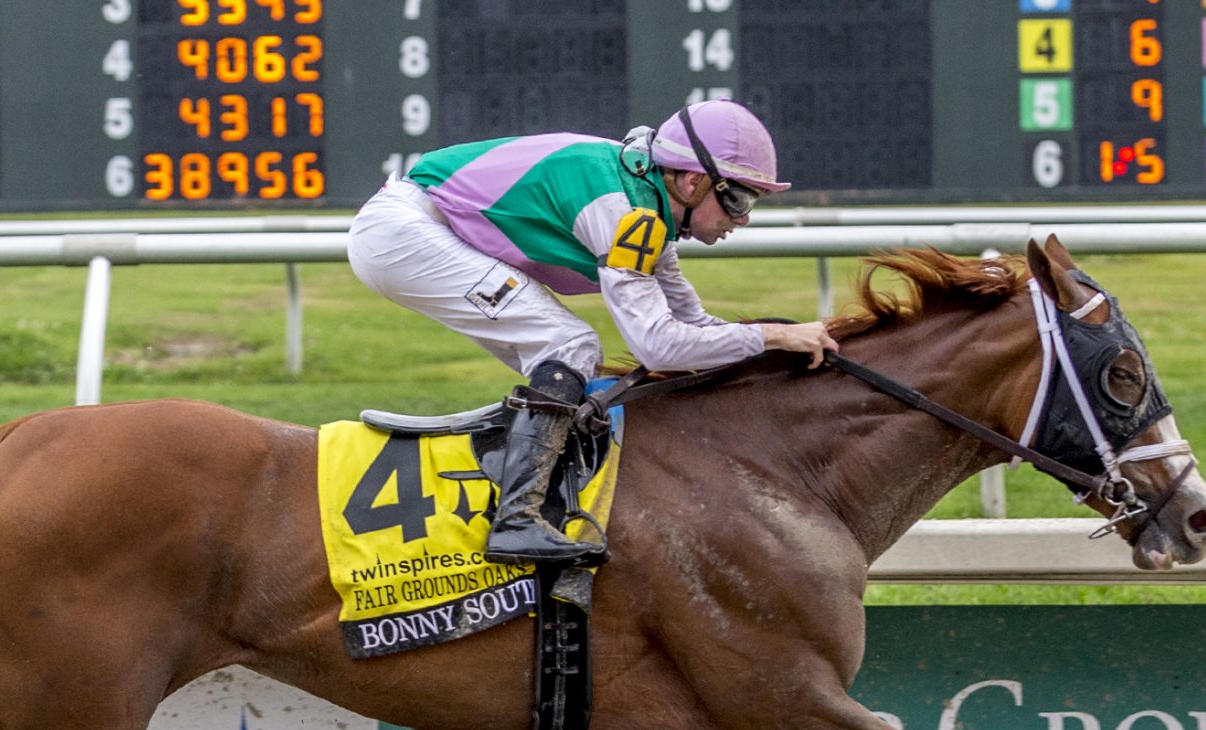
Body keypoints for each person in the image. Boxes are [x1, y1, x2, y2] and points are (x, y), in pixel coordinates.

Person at [348, 99, 839, 565]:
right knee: (570, 345)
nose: (743, 218)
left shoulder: (648, 207)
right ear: (692, 181)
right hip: (404, 233)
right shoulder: (626, 212)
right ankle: (516, 519)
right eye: (737, 197)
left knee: (568, 371)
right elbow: (658, 347)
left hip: (415, 228)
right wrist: (772, 337)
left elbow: (693, 325)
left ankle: (535, 496)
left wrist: (780, 339)